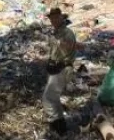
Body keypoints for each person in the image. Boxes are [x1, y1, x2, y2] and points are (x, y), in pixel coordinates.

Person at [42, 8, 77, 137]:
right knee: (54, 98)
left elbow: (67, 51)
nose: (54, 20)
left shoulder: (67, 33)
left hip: (62, 69)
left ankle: (57, 126)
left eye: (56, 17)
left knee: (48, 98)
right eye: (52, 18)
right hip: (55, 68)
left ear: (62, 17)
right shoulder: (55, 33)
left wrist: (58, 64)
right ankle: (61, 127)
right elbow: (54, 52)